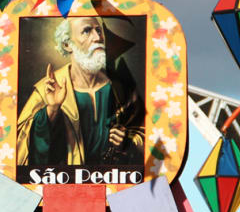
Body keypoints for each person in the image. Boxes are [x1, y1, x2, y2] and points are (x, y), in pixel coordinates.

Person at [16, 16, 145, 167]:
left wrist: (128, 142)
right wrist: (51, 110)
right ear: (67, 44)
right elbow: (21, 149)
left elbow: (148, 137)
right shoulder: (49, 89)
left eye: (98, 31)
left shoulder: (121, 88)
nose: (98, 37)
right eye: (87, 31)